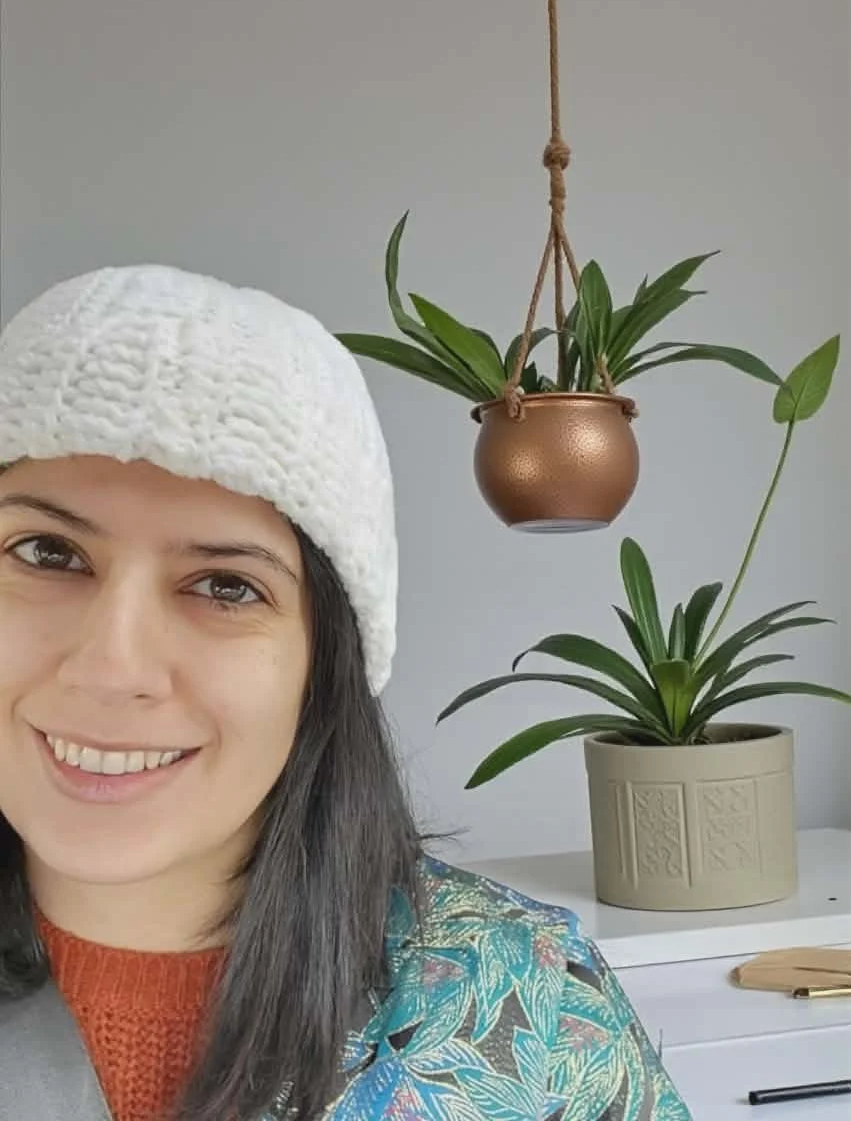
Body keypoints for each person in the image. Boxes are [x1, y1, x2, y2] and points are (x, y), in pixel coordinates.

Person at [0, 265, 692, 1121]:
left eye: (223, 586)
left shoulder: (529, 1012)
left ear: (324, 661)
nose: (112, 667)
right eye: (46, 554)